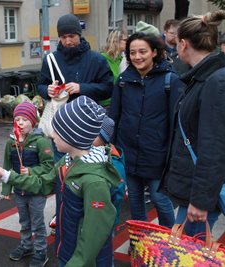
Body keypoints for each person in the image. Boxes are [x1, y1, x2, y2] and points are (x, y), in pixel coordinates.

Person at [0, 96, 121, 267]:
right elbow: (43, 183)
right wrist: (6, 175)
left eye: (57, 131)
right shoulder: (67, 161)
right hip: (67, 250)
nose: (51, 135)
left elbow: (93, 237)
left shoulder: (95, 182)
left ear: (74, 136)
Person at [109, 32, 185, 229]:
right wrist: (113, 148)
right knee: (135, 200)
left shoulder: (170, 80)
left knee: (160, 201)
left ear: (154, 52)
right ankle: (140, 240)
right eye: (132, 52)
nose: (137, 57)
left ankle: (169, 242)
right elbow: (114, 116)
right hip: (128, 151)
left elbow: (175, 123)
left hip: (156, 154)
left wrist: (172, 154)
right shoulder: (124, 81)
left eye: (142, 51)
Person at [160, 10, 225, 236]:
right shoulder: (206, 76)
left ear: (183, 44)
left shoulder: (214, 81)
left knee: (187, 254)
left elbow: (213, 145)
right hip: (197, 189)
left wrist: (200, 201)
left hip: (199, 196)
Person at [38, 13, 113, 162]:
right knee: (61, 170)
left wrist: (82, 88)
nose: (68, 41)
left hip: (88, 128)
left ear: (79, 34)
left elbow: (108, 88)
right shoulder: (51, 60)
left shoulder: (96, 59)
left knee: (87, 171)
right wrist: (47, 90)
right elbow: (40, 85)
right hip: (60, 128)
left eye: (71, 36)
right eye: (63, 37)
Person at [1, 101, 54, 267]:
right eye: (17, 119)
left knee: (37, 223)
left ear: (33, 121)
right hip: (19, 191)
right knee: (24, 222)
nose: (20, 123)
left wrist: (32, 171)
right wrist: (6, 188)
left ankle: (40, 252)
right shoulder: (11, 143)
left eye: (24, 119)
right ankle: (26, 246)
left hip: (36, 191)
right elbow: (7, 166)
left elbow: (48, 165)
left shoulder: (41, 141)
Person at [100, 30, 127, 110]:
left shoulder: (121, 59)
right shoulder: (102, 59)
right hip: (105, 104)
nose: (128, 42)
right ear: (116, 41)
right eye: (125, 40)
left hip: (119, 102)